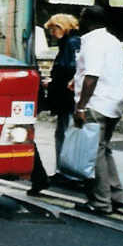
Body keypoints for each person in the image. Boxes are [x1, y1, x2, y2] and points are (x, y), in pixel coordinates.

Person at [72, 5, 123, 215]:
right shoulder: (112, 40)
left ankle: (101, 202)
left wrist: (81, 106)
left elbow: (92, 76)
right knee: (104, 149)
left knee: (93, 153)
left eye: (81, 17)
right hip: (113, 103)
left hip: (96, 104)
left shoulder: (93, 42)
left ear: (89, 20)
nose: (79, 21)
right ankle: (117, 195)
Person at [28, 13, 81, 195]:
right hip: (65, 95)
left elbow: (70, 69)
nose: (51, 33)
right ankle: (62, 170)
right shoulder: (68, 43)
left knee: (64, 132)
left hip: (67, 96)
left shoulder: (71, 43)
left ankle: (65, 171)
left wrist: (53, 82)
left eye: (53, 28)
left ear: (62, 26)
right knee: (61, 132)